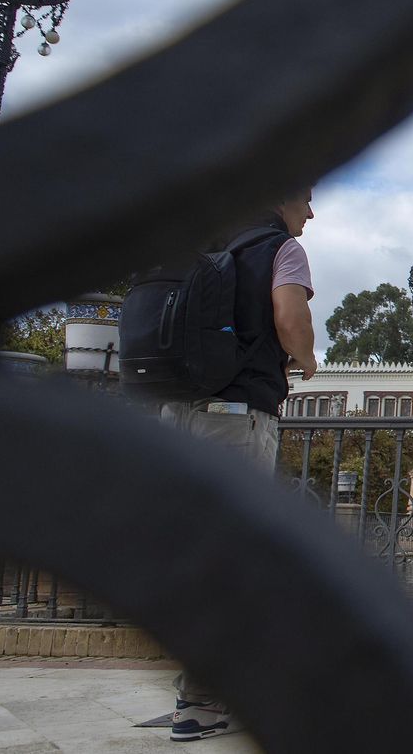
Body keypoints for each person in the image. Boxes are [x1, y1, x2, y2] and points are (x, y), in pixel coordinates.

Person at [161, 188, 316, 742]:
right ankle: (202, 700)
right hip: (234, 418)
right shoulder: (279, 249)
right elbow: (290, 318)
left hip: (175, 415)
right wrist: (308, 360)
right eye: (306, 199)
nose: (311, 213)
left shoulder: (209, 243)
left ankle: (199, 689)